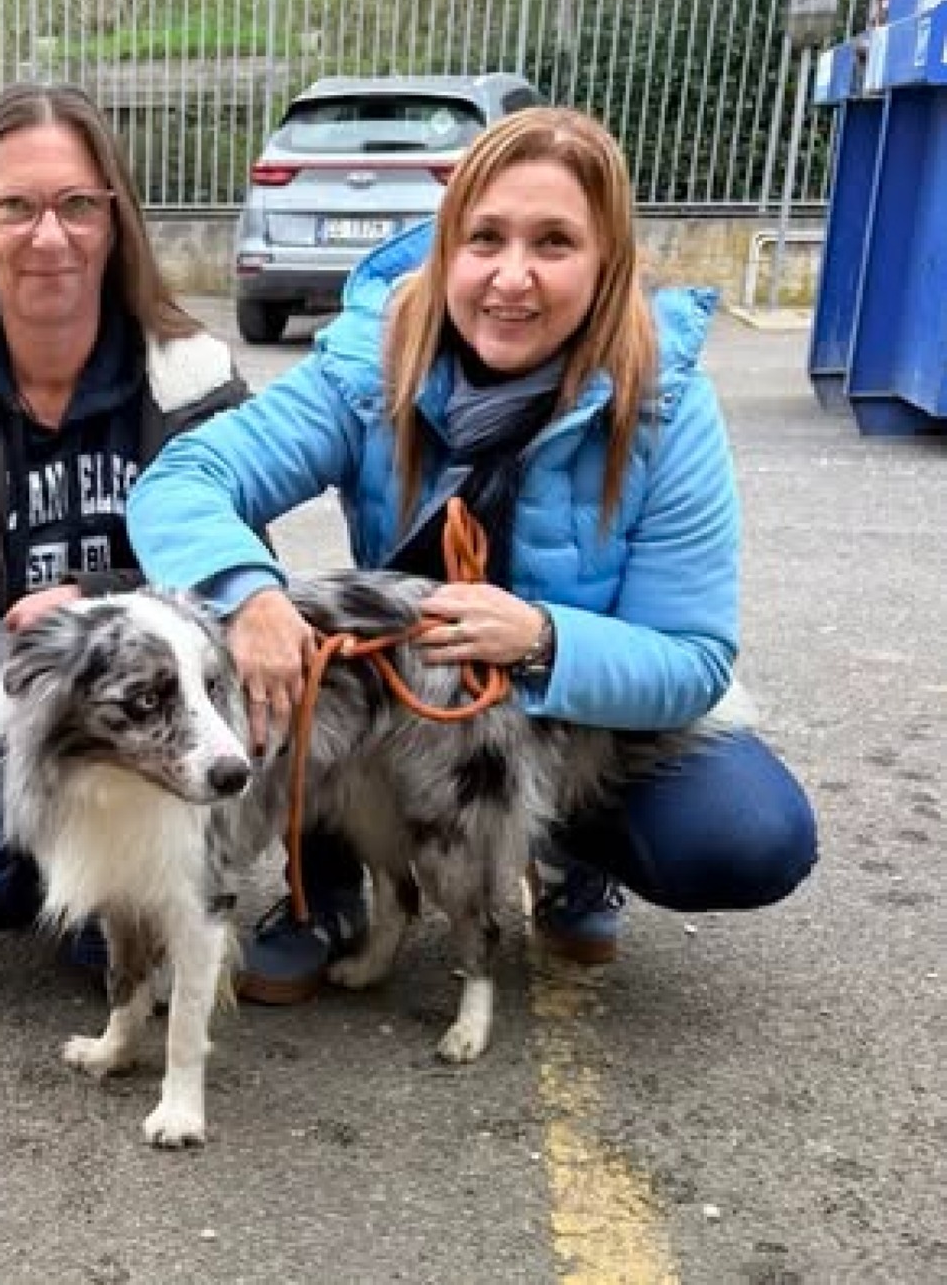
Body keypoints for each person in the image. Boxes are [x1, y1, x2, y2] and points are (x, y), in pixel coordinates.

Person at [126, 105, 818, 1005]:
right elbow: (183, 480)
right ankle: (323, 884)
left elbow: (691, 658)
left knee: (747, 834)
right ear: (448, 246)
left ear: (607, 262)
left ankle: (563, 842)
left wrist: (539, 637)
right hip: (412, 703)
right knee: (278, 654)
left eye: (555, 243)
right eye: (485, 238)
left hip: (569, 715)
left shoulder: (665, 404)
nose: (511, 278)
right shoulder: (374, 363)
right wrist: (250, 595)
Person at [0, 82, 248, 949]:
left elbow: (224, 566)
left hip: (148, 714)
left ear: (114, 221)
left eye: (75, 206)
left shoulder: (194, 385)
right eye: (16, 207)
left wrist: (95, 598)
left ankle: (70, 867)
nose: (49, 236)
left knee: (116, 938)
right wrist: (26, 702)